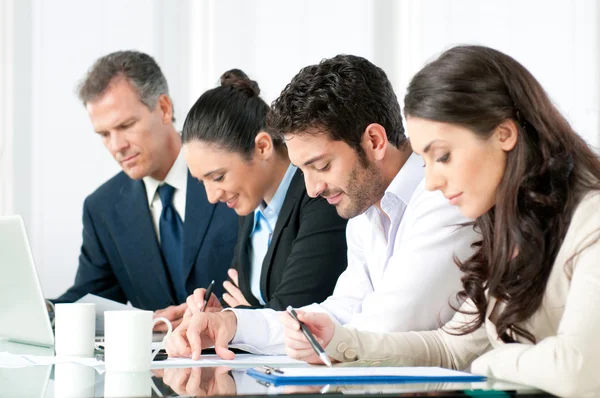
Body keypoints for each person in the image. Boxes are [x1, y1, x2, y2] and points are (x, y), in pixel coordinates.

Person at [281, 45, 600, 397]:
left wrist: (489, 361)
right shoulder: (512, 230)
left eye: (443, 156)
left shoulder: (592, 221)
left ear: (504, 134)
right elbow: (450, 348)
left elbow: (578, 371)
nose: (430, 181)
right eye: (425, 159)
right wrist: (341, 341)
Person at [165, 54, 477, 360]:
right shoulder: (364, 212)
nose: (312, 189)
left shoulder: (443, 197)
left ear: (375, 141)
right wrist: (231, 324)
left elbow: (386, 326)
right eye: (303, 171)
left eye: (322, 165)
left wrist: (315, 335)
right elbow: (339, 312)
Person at [55, 51, 238, 329]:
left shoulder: (232, 174)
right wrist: (40, 310)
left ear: (164, 108)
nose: (116, 146)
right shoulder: (102, 208)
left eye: (126, 125)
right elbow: (88, 301)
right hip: (156, 368)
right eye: (104, 134)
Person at [181, 69, 348, 310]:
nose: (211, 196)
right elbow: (238, 299)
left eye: (218, 177)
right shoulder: (252, 205)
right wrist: (216, 314)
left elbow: (293, 311)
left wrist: (242, 315)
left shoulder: (319, 195)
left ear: (262, 147)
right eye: (201, 181)